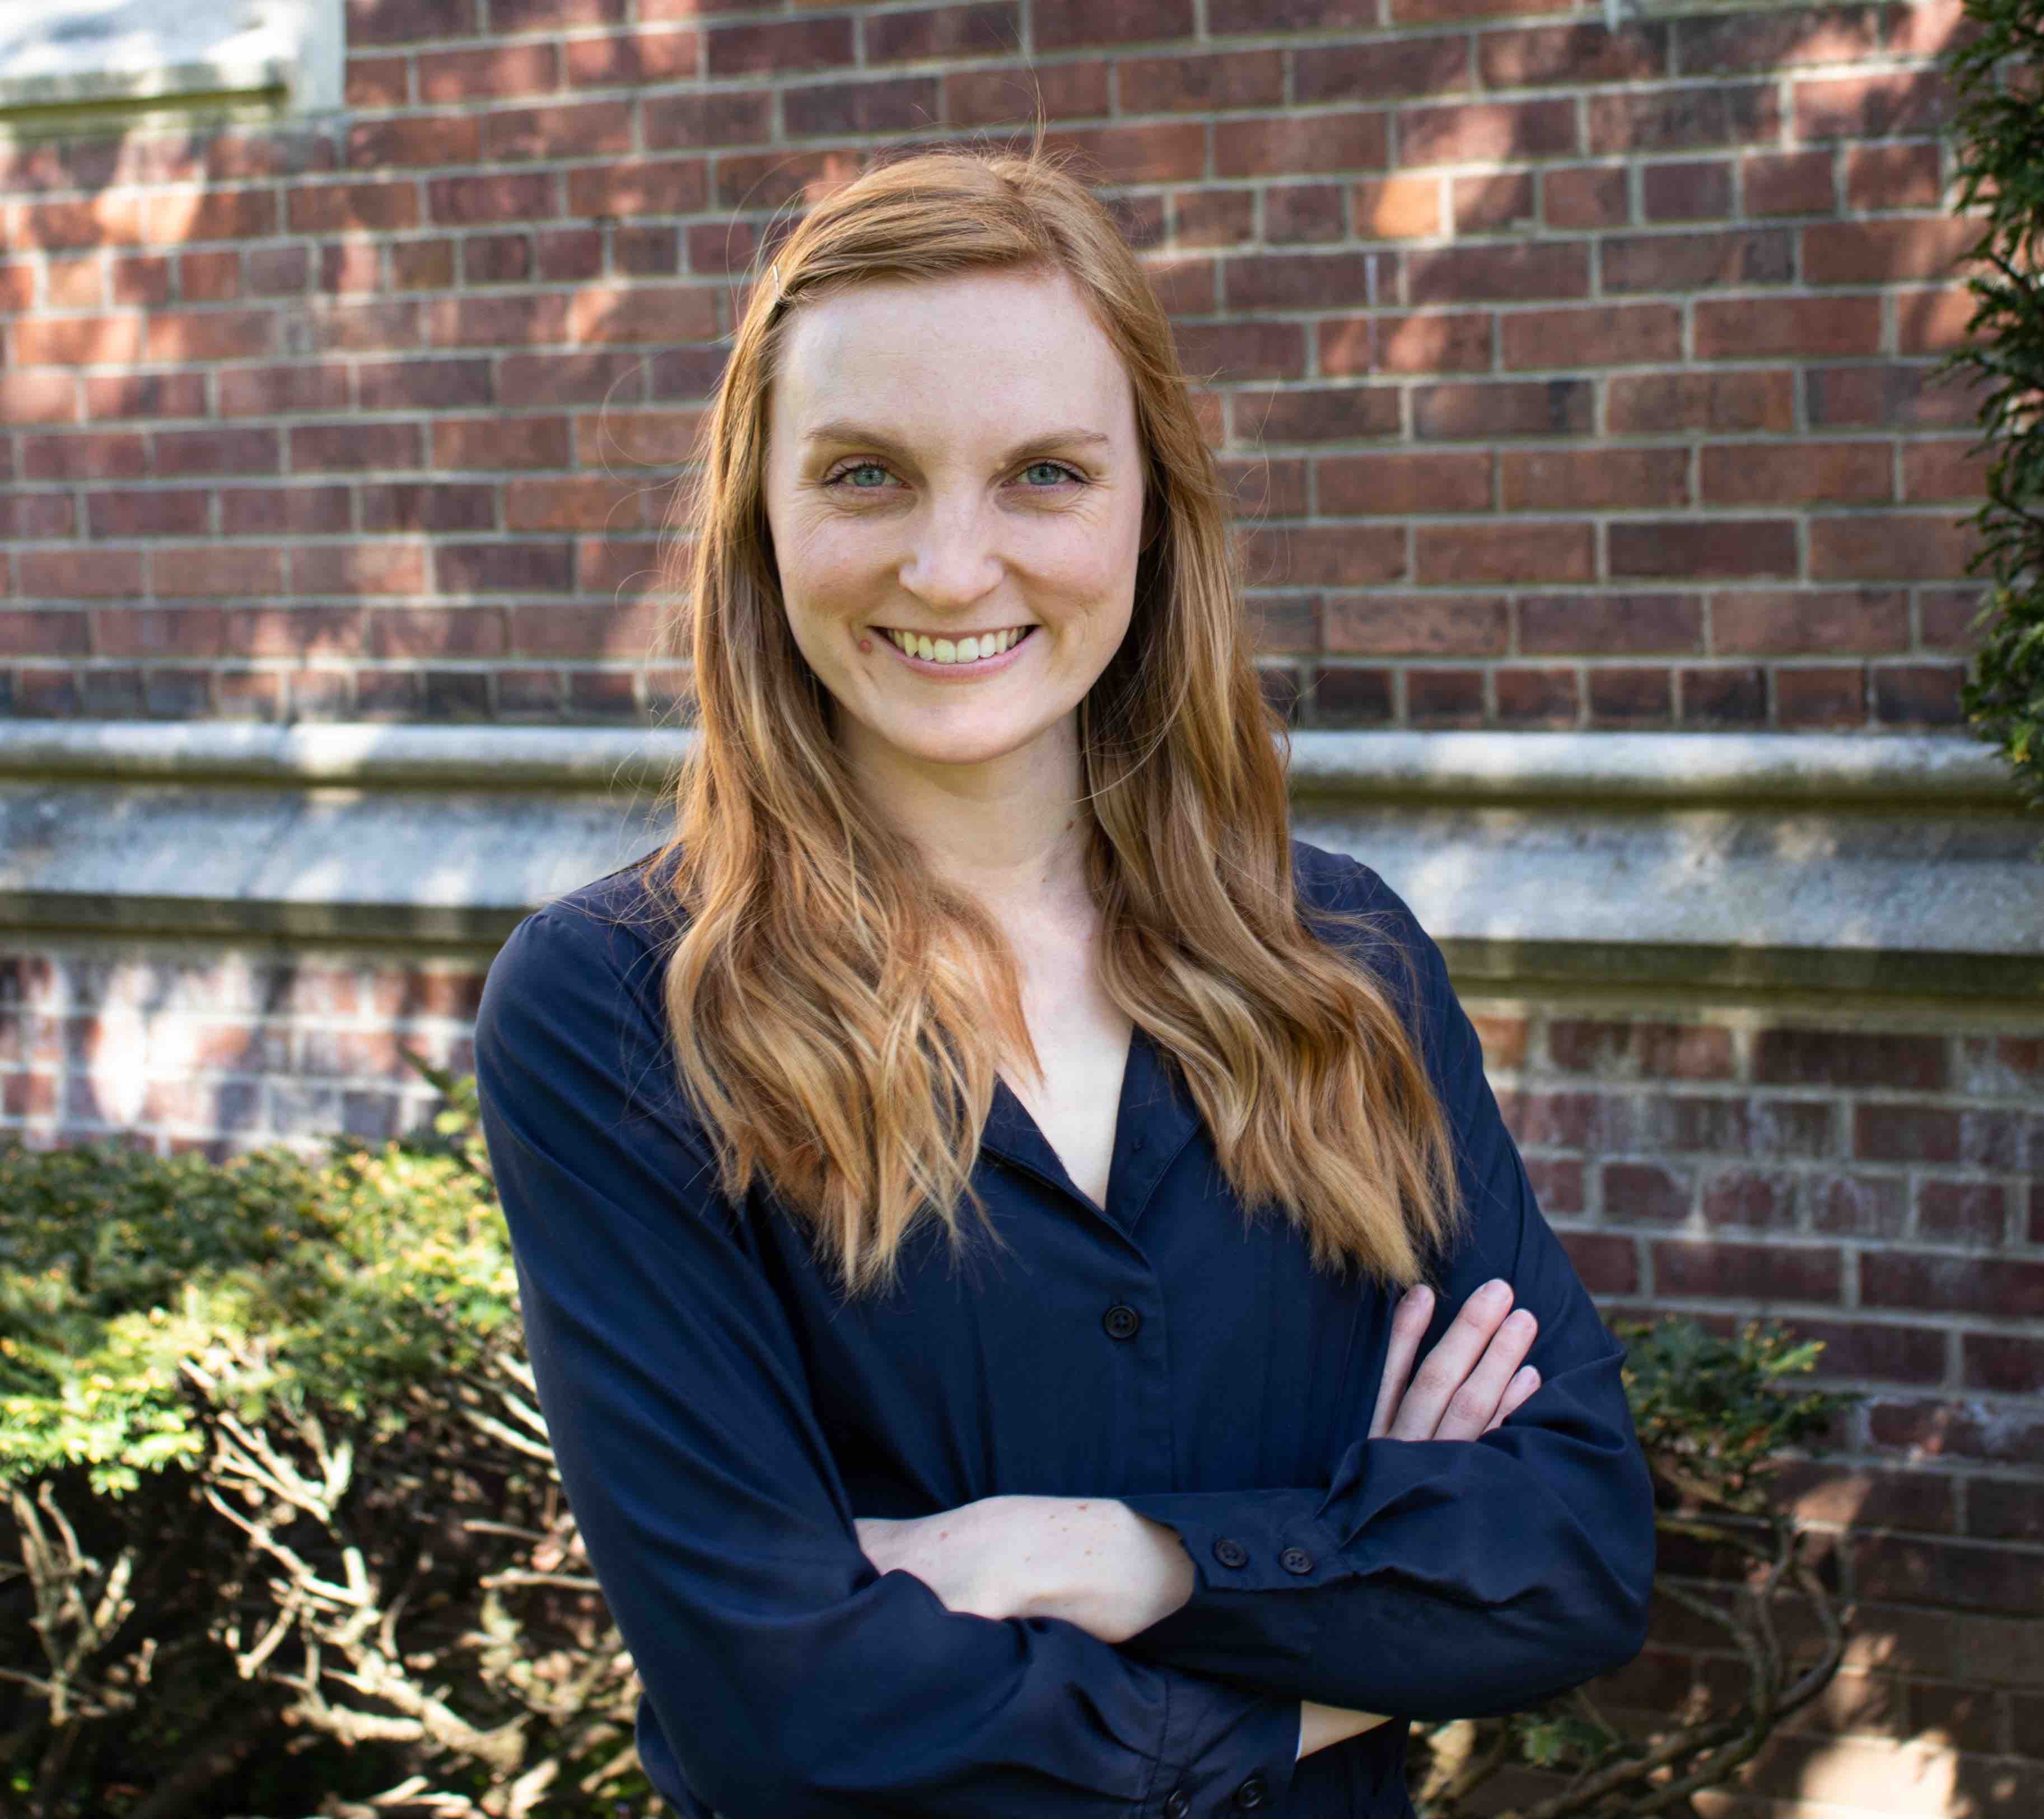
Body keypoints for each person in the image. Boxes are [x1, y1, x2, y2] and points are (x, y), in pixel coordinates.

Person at [473, 137, 1656, 1819]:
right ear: (761, 516)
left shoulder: (1347, 967)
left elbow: (1569, 1558)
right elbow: (794, 1721)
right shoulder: (618, 1013)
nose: (951, 569)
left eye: (1041, 473)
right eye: (867, 474)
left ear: (1152, 510)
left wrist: (1140, 1564)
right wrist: (1336, 1620)